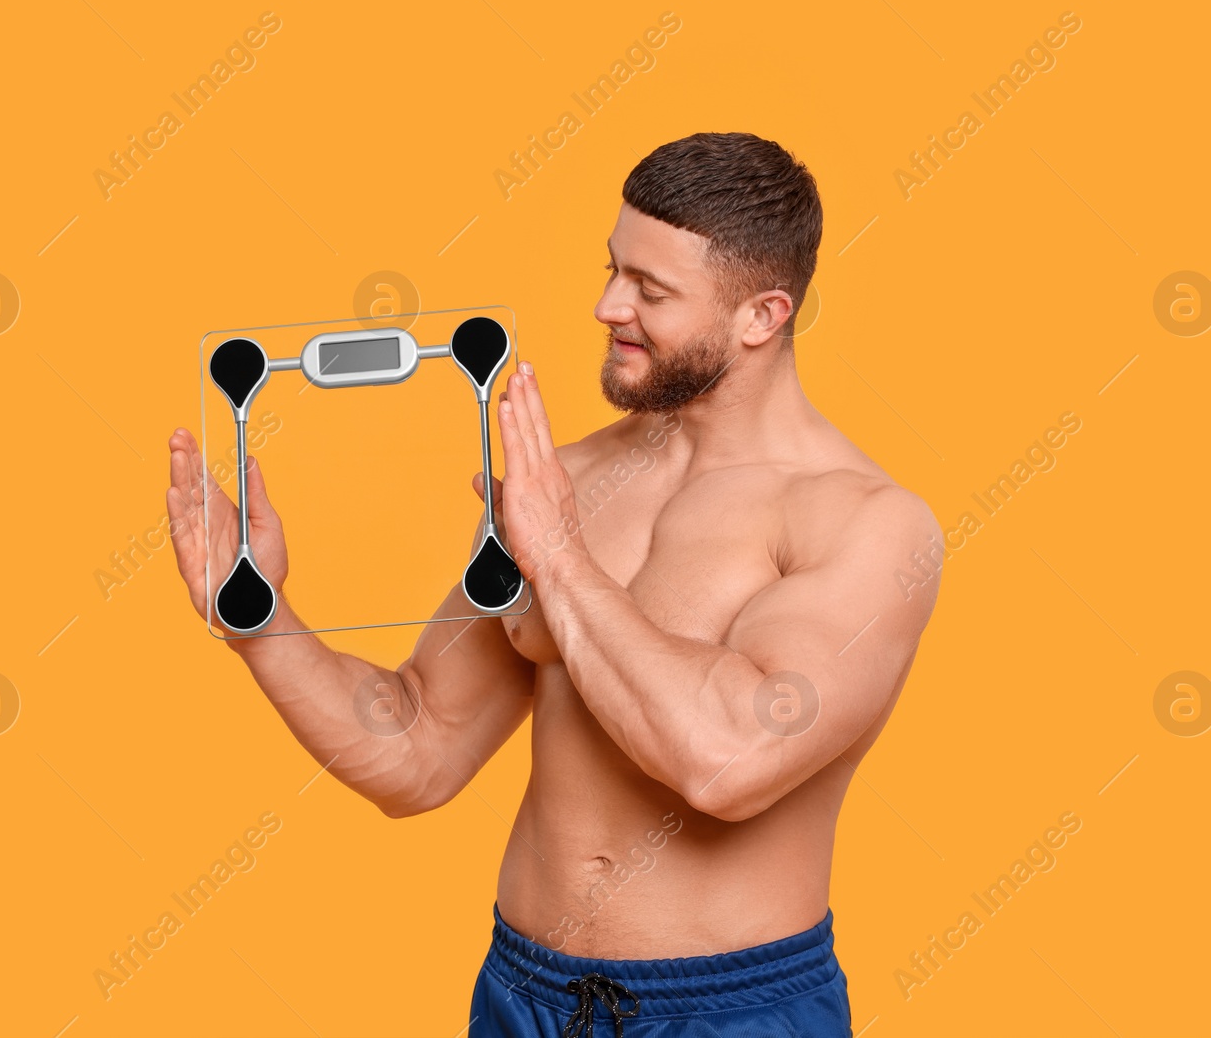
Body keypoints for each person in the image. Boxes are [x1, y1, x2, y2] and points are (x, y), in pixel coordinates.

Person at [165, 132, 943, 1037]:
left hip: (733, 1010)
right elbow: (416, 750)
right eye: (614, 269)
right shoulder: (560, 484)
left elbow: (728, 763)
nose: (608, 305)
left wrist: (560, 561)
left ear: (762, 316)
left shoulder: (866, 523)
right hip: (524, 996)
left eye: (652, 291)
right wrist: (257, 613)